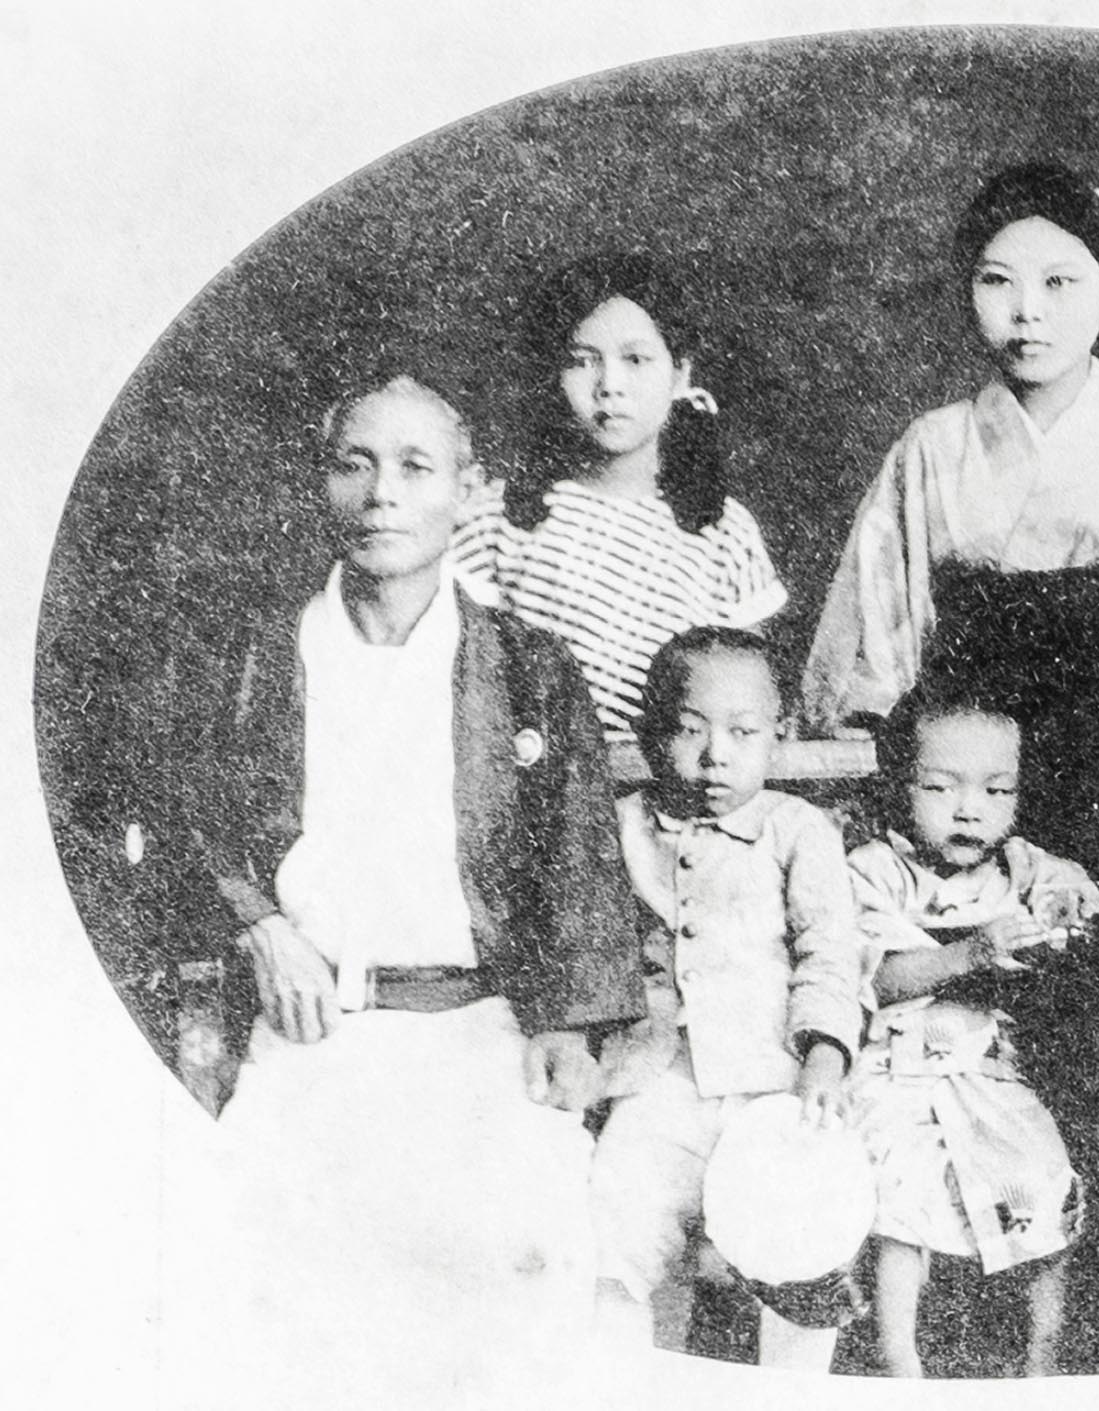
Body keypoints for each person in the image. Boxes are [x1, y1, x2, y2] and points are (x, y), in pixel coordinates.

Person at [800, 161, 1099, 1367]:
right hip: (970, 792)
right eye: (998, 282)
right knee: (964, 1065)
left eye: (1060, 282)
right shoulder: (932, 450)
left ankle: (1096, 1358)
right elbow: (871, 651)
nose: (1027, 310)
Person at [181, 374, 644, 1396]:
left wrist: (567, 1024)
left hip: (484, 1036)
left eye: (414, 466)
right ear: (323, 483)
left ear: (467, 491)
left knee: (524, 1296)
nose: (381, 492)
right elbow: (195, 816)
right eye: (354, 464)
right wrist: (260, 925)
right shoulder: (262, 655)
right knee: (267, 1304)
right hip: (313, 1032)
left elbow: (579, 856)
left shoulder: (527, 667)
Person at [588, 626, 863, 1370]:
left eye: (743, 732)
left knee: (802, 1240)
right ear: (650, 733)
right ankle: (620, 1383)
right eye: (688, 729)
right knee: (614, 1227)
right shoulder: (622, 825)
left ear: (779, 735)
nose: (716, 754)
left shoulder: (796, 828)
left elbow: (830, 952)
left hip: (773, 1076)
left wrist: (825, 1055)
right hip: (658, 1077)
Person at [844, 687, 1099, 1378]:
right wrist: (971, 953)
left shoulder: (1019, 865)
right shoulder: (874, 870)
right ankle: (899, 1360)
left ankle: (1045, 1357)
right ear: (898, 785)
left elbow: (1077, 892)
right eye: (940, 787)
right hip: (897, 1072)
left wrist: (1065, 908)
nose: (969, 808)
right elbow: (876, 978)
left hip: (989, 1071)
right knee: (900, 1195)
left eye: (996, 790)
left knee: (1044, 1181)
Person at [455, 252, 786, 781]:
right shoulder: (497, 518)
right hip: (531, 786)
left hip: (670, 796)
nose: (609, 384)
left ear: (681, 374)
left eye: (635, 360)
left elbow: (745, 698)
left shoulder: (724, 531)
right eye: (582, 361)